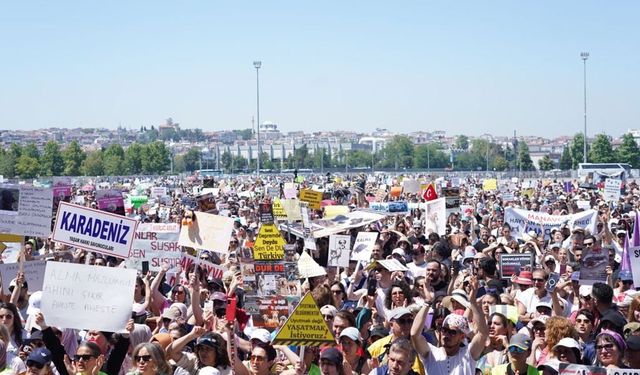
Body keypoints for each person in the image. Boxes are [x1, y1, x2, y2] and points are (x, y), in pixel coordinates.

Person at [411, 276, 488, 375]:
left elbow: (483, 334)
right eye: (444, 330)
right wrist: (427, 302)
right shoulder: (431, 354)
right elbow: (414, 334)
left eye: (452, 332)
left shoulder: (468, 354)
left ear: (462, 336)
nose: (446, 335)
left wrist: (473, 302)